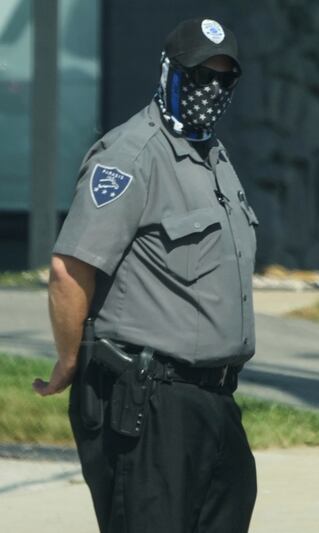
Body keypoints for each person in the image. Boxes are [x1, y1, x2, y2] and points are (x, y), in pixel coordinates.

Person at [33, 18, 258, 533]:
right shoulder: (130, 156)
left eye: (225, 80)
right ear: (168, 73)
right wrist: (70, 360)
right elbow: (69, 269)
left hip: (216, 403)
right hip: (153, 405)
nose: (213, 90)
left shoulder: (215, 159)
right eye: (202, 76)